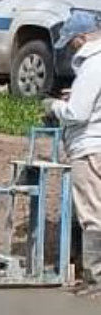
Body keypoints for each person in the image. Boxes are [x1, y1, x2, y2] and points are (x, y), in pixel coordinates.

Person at [44, 23, 101, 296]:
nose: (71, 48)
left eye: (72, 42)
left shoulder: (93, 64)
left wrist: (55, 106)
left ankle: (96, 281)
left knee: (92, 214)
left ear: (82, 37)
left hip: (89, 148)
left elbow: (78, 113)